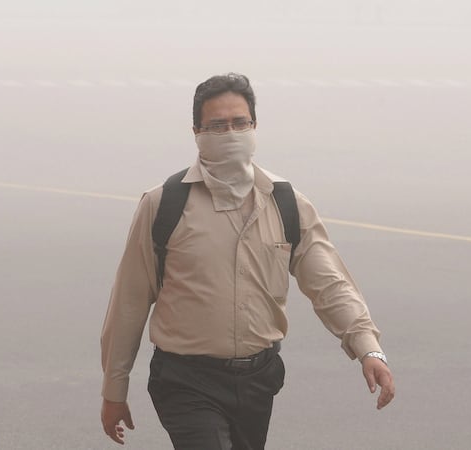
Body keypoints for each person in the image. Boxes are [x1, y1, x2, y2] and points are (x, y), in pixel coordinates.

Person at [100, 72, 395, 449]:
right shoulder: (163, 205)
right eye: (218, 126)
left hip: (259, 380)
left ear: (255, 126)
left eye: (240, 123)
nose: (231, 133)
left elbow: (330, 283)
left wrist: (368, 348)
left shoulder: (287, 204)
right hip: (185, 379)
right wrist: (114, 390)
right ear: (197, 132)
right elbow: (129, 301)